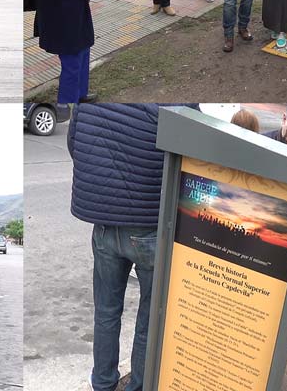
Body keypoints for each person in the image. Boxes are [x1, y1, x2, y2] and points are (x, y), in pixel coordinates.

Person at [69, 103, 169, 391]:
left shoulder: (89, 99)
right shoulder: (175, 104)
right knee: (149, 318)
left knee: (106, 312)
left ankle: (102, 384)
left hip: (104, 225)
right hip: (150, 225)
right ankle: (136, 385)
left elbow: (76, 144)